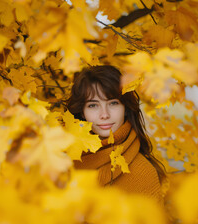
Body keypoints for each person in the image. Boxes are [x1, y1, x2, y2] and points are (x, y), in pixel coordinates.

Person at [66, 65, 166, 201]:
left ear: (125, 108)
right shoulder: (59, 162)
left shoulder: (143, 174)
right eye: (93, 105)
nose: (104, 114)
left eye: (113, 103)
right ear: (82, 112)